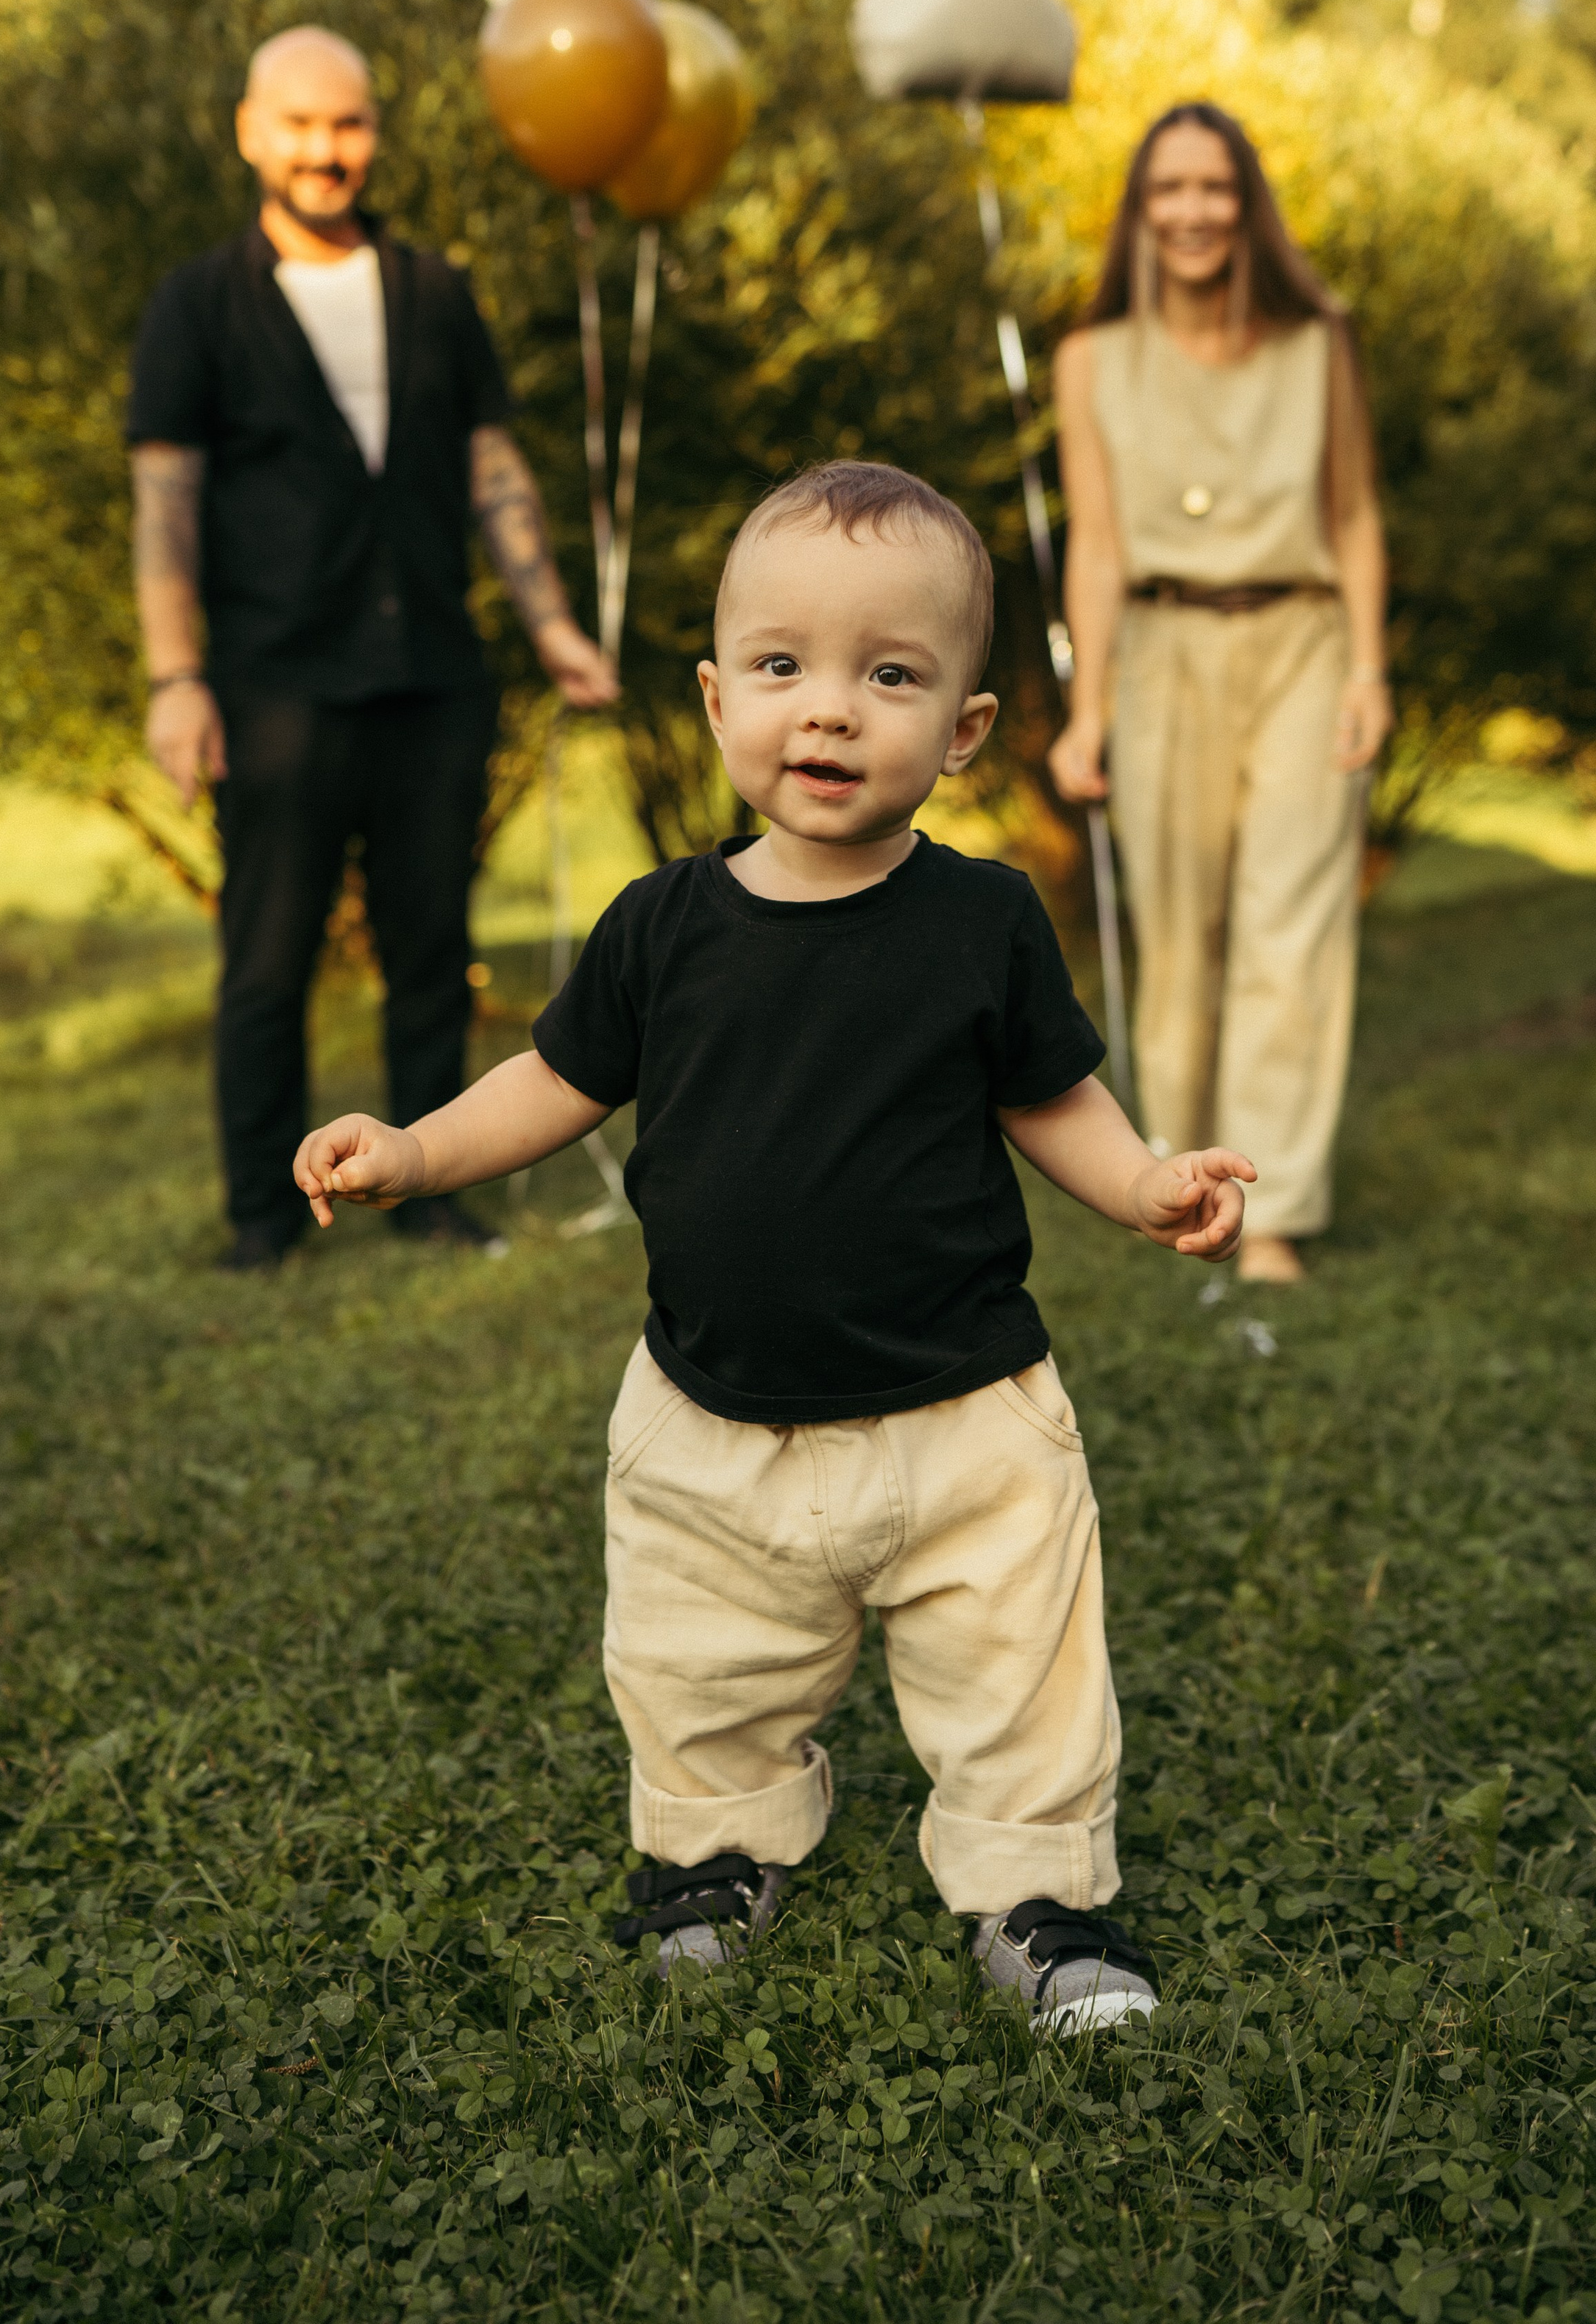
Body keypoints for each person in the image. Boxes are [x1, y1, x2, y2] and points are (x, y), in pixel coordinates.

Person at [294, 462, 1253, 2031]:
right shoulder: (660, 926)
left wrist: (1144, 1186)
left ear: (959, 732)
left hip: (964, 1416)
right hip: (710, 1418)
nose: (826, 711)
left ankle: (1037, 1900)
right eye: (782, 667)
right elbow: (554, 1083)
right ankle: (716, 1858)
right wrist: (414, 1151)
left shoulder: (980, 920)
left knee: (1018, 1672)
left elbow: (1048, 1095)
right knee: (695, 1667)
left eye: (888, 675)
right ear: (716, 696)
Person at [129, 25, 615, 1272]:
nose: (323, 149)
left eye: (345, 124)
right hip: (275, 684)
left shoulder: (433, 290)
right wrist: (178, 679)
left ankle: (434, 1189)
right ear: (251, 132)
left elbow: (492, 470)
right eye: (297, 124)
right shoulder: (197, 301)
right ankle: (260, 1216)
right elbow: (166, 503)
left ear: (374, 134)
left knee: (428, 949)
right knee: (266, 960)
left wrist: (555, 625)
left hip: (433, 678)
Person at [1046, 102, 1392, 1287]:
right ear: (1141, 216)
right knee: (1179, 930)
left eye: (1215, 188)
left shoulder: (1317, 340)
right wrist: (1088, 710)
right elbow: (1094, 545)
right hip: (1159, 647)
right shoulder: (1091, 359)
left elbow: (1351, 513)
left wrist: (1367, 671)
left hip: (1299, 637)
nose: (1193, 212)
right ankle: (1182, 1183)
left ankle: (1276, 1207)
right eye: (1169, 191)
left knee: (1290, 925)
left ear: (1247, 206)